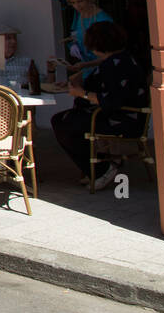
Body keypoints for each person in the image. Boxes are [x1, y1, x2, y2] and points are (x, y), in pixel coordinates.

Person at [50, 21, 150, 189]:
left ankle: (102, 169)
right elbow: (94, 85)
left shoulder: (116, 65)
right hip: (119, 116)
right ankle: (95, 167)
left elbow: (112, 100)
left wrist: (82, 94)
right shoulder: (118, 60)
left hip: (124, 120)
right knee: (65, 120)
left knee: (64, 124)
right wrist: (70, 85)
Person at [50, 0, 114, 78]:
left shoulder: (102, 20)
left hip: (106, 70)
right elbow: (76, 35)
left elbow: (111, 55)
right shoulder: (80, 15)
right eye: (73, 3)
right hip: (88, 71)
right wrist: (74, 45)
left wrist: (84, 66)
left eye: (80, 1)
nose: (77, 6)